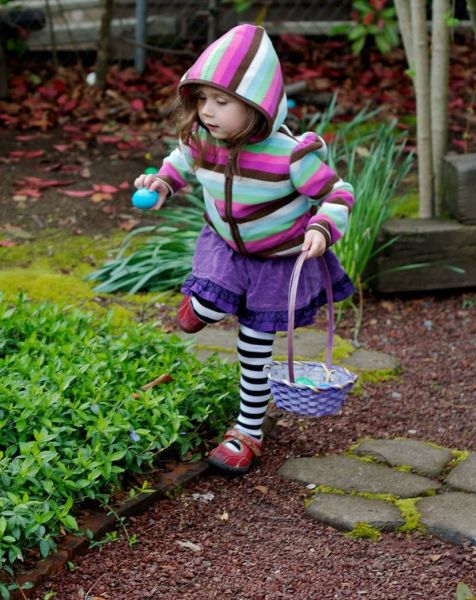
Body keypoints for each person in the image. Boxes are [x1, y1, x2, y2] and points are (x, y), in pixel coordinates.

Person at [134, 24, 355, 475]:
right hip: (224, 246)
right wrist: (160, 185)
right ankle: (203, 307)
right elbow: (177, 165)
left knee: (254, 350)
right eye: (202, 99)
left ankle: (246, 433)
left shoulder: (291, 155)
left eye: (222, 101)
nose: (207, 111)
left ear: (256, 104)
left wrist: (323, 227)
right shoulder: (201, 139)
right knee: (210, 302)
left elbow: (339, 193)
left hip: (275, 262)